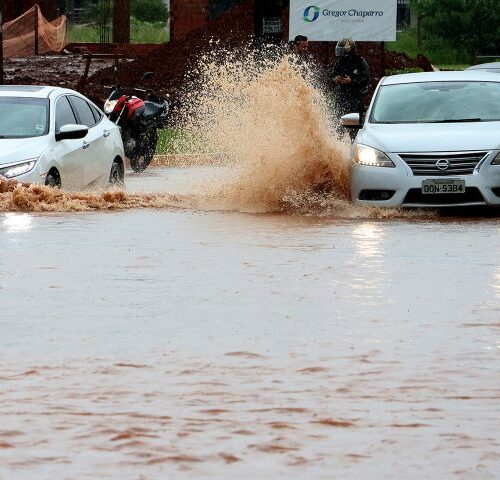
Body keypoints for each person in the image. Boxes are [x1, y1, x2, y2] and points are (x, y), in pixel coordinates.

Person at [330, 38, 370, 139]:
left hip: (356, 98)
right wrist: (336, 79)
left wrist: (351, 81)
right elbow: (330, 76)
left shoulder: (361, 62)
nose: (340, 53)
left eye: (342, 50)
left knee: (355, 128)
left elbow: (365, 80)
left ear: (349, 51)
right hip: (342, 96)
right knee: (337, 124)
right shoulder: (339, 62)